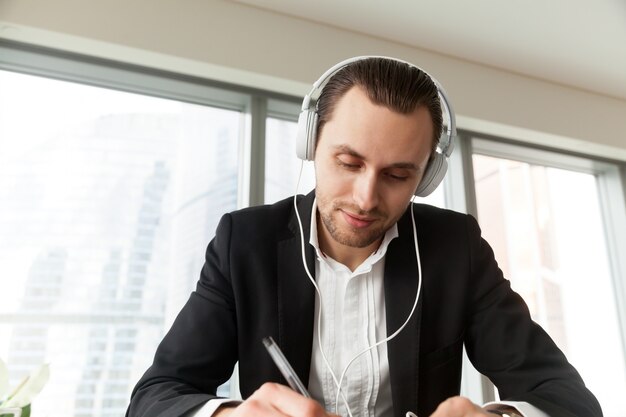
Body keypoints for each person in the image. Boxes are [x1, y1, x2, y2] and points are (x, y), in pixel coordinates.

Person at [126, 56, 602, 417]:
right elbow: (156, 395)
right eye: (349, 163)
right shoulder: (243, 242)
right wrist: (227, 414)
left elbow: (566, 396)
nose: (366, 198)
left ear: (427, 176)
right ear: (310, 142)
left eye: (397, 175)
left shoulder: (457, 250)